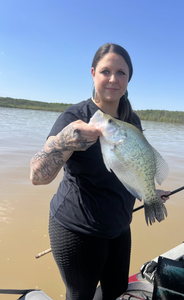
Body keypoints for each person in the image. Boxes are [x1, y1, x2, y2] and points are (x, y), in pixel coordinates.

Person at [30, 43, 170, 300]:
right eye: (106, 71)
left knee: (116, 290)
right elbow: (37, 177)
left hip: (119, 225)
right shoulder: (75, 116)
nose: (113, 79)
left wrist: (148, 190)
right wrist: (65, 141)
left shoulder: (131, 120)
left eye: (121, 73)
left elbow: (126, 169)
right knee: (80, 294)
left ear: (129, 78)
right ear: (93, 73)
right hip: (77, 228)